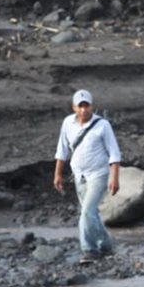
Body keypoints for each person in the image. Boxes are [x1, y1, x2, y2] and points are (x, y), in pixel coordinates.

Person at [54, 89, 122, 262]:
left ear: (92, 106)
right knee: (92, 214)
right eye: (80, 106)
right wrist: (58, 174)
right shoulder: (67, 123)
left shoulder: (103, 125)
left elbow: (114, 153)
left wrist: (114, 178)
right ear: (74, 107)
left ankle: (89, 250)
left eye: (87, 106)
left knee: (86, 212)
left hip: (98, 174)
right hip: (79, 175)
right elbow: (62, 150)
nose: (84, 110)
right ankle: (106, 244)